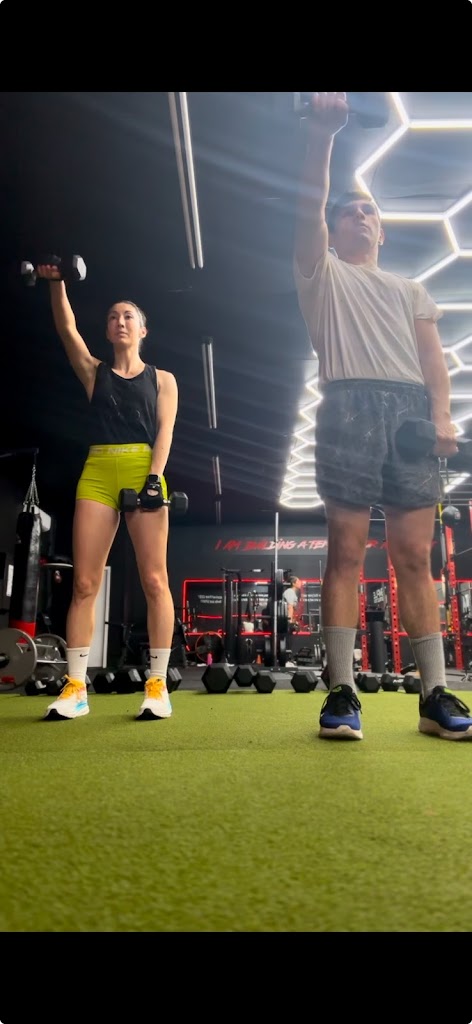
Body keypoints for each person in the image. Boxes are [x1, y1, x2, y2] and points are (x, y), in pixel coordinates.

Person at [293, 91, 472, 742]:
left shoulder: (411, 289)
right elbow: (309, 204)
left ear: (382, 230)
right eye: (349, 211)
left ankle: (435, 695)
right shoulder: (321, 275)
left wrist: (442, 417)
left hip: (409, 418)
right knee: (345, 551)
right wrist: (324, 135)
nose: (360, 216)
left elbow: (433, 362)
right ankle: (342, 690)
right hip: (347, 407)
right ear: (335, 229)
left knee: (414, 558)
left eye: (369, 210)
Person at [36, 263, 178, 722]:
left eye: (128, 316)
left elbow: (165, 432)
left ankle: (157, 685)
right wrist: (56, 281)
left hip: (143, 469)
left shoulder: (163, 379)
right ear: (107, 329)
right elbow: (66, 329)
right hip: (97, 470)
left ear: (142, 330)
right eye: (113, 316)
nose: (120, 321)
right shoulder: (94, 371)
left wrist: (154, 477)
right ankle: (76, 688)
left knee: (154, 580)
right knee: (83, 583)